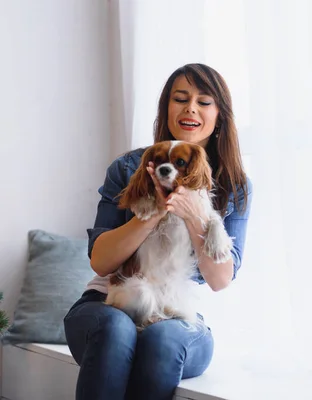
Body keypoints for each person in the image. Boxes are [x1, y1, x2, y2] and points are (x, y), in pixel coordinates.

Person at [63, 63, 252, 400]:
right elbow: (101, 262)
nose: (191, 107)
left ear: (220, 115)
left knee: (162, 339)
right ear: (166, 107)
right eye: (180, 98)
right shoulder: (127, 167)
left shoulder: (233, 186)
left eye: (204, 101)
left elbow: (220, 278)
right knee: (115, 329)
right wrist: (152, 213)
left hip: (173, 308)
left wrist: (195, 215)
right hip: (110, 301)